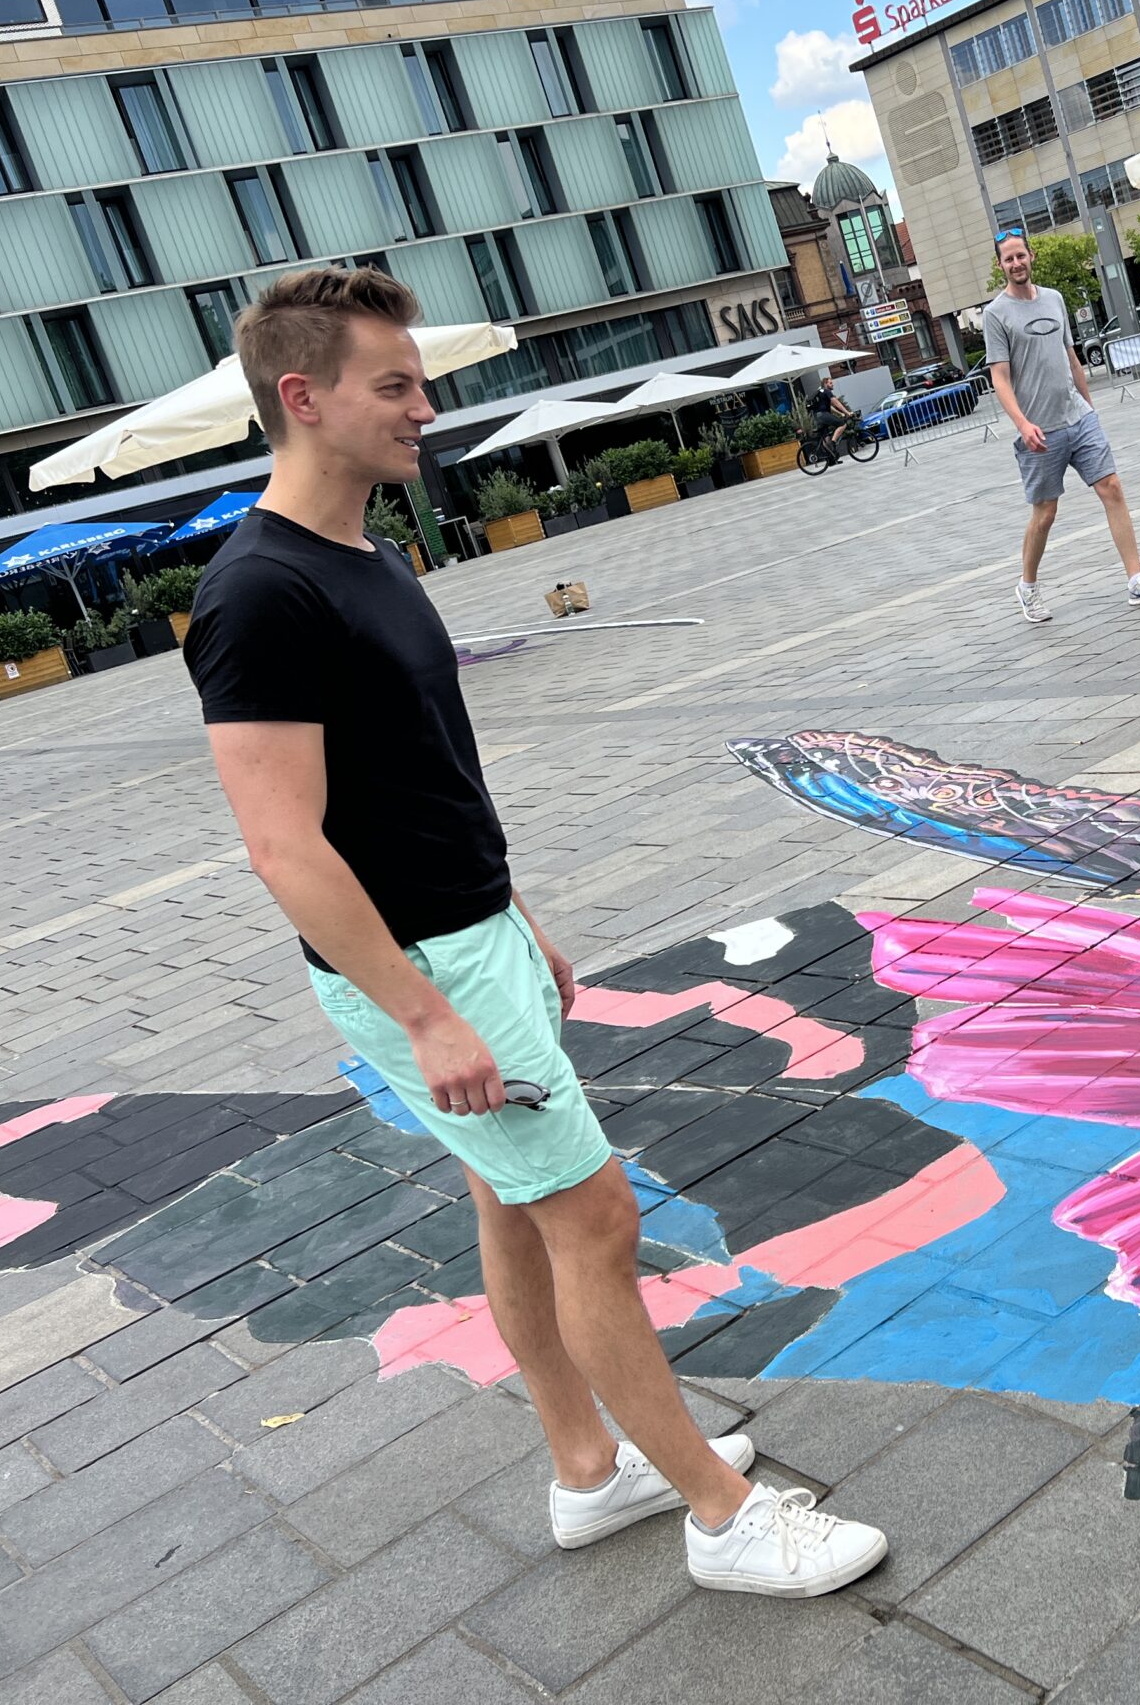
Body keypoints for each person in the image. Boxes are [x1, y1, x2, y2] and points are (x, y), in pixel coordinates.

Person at [183, 267, 890, 1597]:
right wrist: (427, 1011)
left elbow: (416, 777)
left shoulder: (361, 554)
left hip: (472, 940)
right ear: (302, 397)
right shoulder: (259, 593)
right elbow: (285, 844)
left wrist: (514, 916)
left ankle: (589, 1470)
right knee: (598, 1221)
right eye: (392, 385)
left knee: (516, 1209)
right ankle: (725, 1517)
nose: (423, 406)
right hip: (424, 973)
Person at [982, 232, 1140, 623]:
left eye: (1021, 255)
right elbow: (1000, 378)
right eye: (1008, 259)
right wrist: (1022, 424)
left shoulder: (1053, 299)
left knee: (1113, 488)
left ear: (1031, 256)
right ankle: (1027, 587)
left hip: (1078, 417)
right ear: (1000, 265)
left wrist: (1089, 407)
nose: (1016, 263)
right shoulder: (995, 314)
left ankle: (1137, 580)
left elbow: (1071, 358)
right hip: (1040, 431)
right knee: (1046, 512)